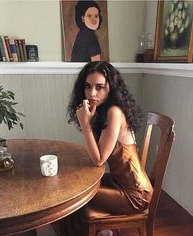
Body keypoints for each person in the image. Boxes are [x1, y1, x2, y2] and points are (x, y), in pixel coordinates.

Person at [53, 61, 153, 236]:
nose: (92, 93)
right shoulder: (104, 109)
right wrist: (88, 122)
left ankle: (94, 231)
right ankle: (102, 232)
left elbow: (99, 159)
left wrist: (85, 124)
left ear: (111, 88)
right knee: (74, 186)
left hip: (135, 195)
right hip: (120, 182)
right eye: (87, 86)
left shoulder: (114, 112)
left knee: (69, 196)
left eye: (99, 87)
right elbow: (99, 155)